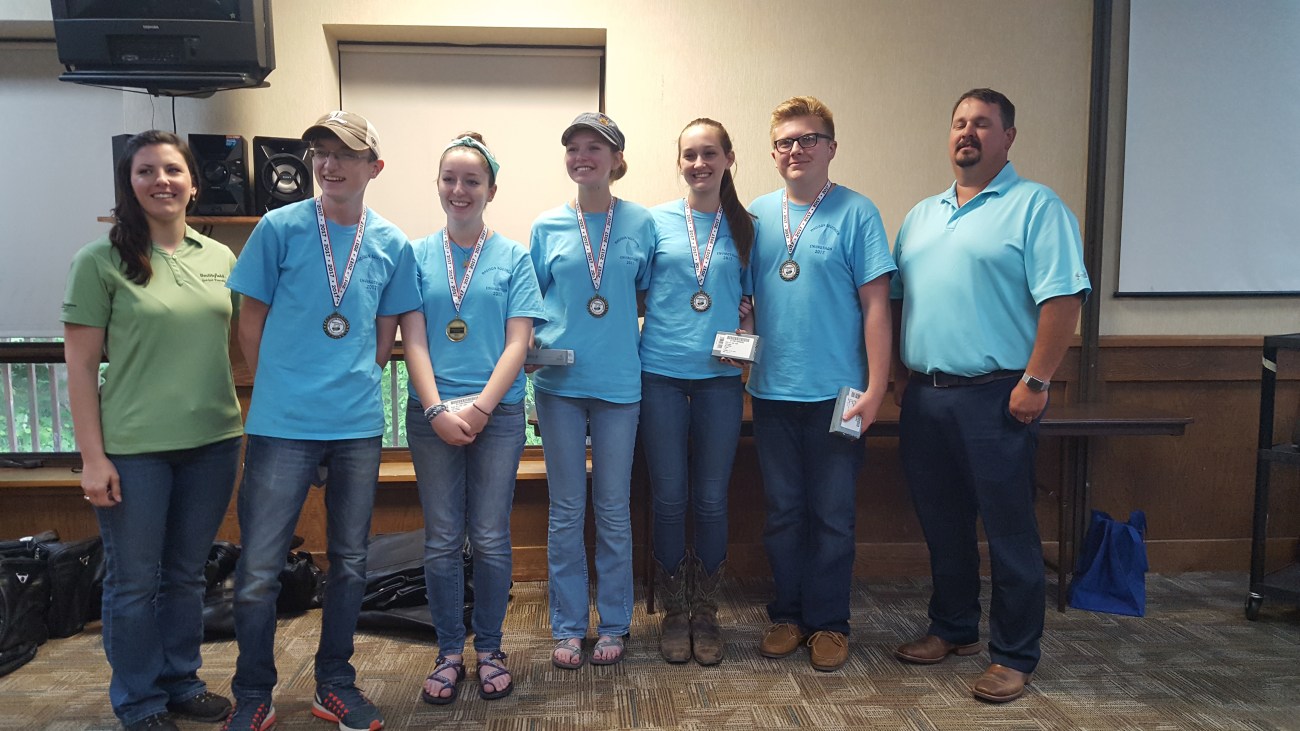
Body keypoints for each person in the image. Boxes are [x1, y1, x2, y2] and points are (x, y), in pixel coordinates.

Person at [889, 88, 1090, 703]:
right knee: (943, 523)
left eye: (982, 124)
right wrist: (899, 376)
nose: (967, 133)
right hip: (926, 396)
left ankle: (1014, 654)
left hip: (998, 394)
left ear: (1008, 138)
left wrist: (1036, 380)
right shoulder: (922, 215)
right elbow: (896, 300)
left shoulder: (1036, 207)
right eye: (958, 123)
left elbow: (1062, 299)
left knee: (1008, 529)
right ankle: (953, 629)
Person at [222, 111, 421, 731]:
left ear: (374, 168)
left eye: (344, 154)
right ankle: (253, 691)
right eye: (319, 153)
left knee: (351, 562)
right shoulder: (278, 230)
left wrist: (352, 375)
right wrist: (278, 385)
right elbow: (248, 318)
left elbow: (385, 331)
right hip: (282, 424)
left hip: (357, 424)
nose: (329, 165)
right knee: (258, 567)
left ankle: (335, 682)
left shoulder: (392, 243)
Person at [63, 130, 243, 731]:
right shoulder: (99, 260)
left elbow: (247, 342)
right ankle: (139, 701)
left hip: (214, 444)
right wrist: (93, 458)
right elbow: (82, 367)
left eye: (172, 170)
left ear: (194, 182)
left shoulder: (219, 259)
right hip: (134, 450)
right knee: (134, 583)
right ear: (129, 183)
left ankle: (181, 681)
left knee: (187, 576)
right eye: (146, 171)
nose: (161, 181)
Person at [747, 96, 895, 672]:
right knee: (783, 512)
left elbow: (876, 308)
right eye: (785, 141)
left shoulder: (858, 213)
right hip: (772, 393)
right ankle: (787, 614)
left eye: (808, 139)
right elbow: (751, 299)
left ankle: (831, 623)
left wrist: (877, 388)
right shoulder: (757, 215)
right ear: (773, 152)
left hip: (841, 396)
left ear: (831, 147)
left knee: (833, 515)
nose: (796, 150)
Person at [400, 133, 544, 704]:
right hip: (431, 413)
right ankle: (447, 652)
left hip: (498, 415)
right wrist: (436, 408)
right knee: (440, 540)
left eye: (472, 181)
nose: (459, 190)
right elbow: (412, 340)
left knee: (488, 537)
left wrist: (482, 408)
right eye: (450, 179)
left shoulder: (513, 257)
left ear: (490, 189)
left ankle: (490, 648)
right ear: (438, 185)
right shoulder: (413, 254)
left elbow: (518, 342)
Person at [529, 112, 654, 669]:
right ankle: (567, 624)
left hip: (619, 386)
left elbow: (649, 297)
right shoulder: (546, 226)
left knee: (612, 508)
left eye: (595, 148)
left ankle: (616, 624)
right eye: (574, 148)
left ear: (616, 160)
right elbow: (528, 310)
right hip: (558, 385)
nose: (583, 157)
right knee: (565, 509)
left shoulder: (643, 223)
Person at [641, 118, 754, 665]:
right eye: (689, 154)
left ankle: (706, 611)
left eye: (710, 153)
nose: (699, 164)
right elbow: (627, 290)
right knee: (669, 499)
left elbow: (754, 305)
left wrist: (748, 331)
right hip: (659, 375)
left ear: (729, 158)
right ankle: (674, 612)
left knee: (710, 500)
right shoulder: (652, 223)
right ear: (679, 161)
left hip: (720, 382)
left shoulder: (747, 226)